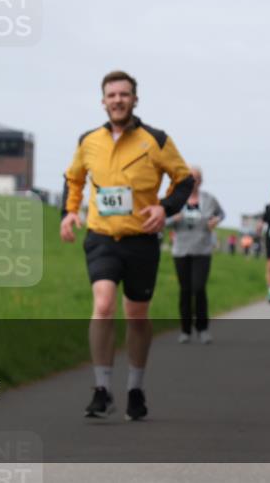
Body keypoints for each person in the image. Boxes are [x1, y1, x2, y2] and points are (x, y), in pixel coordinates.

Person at [60, 70, 194, 421]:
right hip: (102, 237)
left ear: (135, 99)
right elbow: (73, 178)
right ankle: (102, 389)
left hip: (141, 240)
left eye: (124, 94)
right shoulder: (88, 140)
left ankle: (135, 387)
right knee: (103, 304)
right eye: (112, 95)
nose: (117, 100)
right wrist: (69, 212)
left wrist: (164, 208)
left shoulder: (156, 140)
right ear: (102, 101)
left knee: (136, 315)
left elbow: (183, 180)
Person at [166, 165, 225, 344]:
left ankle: (203, 328)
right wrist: (173, 219)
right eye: (190, 178)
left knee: (199, 288)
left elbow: (221, 214)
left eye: (197, 178)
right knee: (185, 290)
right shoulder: (176, 199)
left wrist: (216, 220)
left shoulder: (209, 199)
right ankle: (185, 330)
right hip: (181, 250)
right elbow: (163, 221)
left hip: (202, 250)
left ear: (201, 181)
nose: (194, 181)